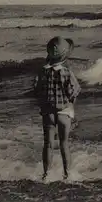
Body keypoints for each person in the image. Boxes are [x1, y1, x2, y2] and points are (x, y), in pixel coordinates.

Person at [33, 36, 81, 181]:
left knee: (47, 144)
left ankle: (46, 174)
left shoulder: (42, 71)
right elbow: (73, 90)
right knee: (64, 143)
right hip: (63, 111)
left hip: (48, 111)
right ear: (65, 56)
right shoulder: (66, 72)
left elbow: (37, 90)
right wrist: (71, 102)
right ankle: (67, 174)